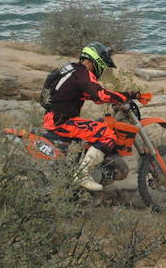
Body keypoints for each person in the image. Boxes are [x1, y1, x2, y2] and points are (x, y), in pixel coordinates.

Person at [43, 41, 141, 191]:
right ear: (94, 62)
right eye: (101, 66)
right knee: (107, 134)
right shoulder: (82, 73)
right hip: (63, 123)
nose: (101, 70)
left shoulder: (69, 70)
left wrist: (110, 97)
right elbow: (101, 95)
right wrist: (127, 95)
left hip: (52, 119)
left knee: (94, 128)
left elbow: (91, 96)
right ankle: (83, 174)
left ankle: (82, 170)